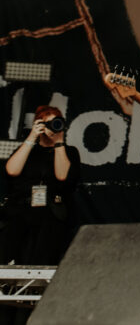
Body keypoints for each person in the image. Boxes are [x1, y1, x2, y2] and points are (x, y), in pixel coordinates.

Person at [1, 106, 81, 323]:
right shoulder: (27, 149)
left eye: (56, 122)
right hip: (21, 218)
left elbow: (63, 176)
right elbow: (11, 171)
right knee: (11, 271)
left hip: (51, 220)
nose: (51, 127)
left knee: (43, 270)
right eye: (46, 123)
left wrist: (59, 141)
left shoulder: (68, 151)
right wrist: (31, 138)